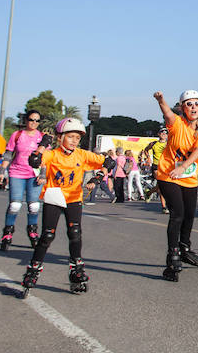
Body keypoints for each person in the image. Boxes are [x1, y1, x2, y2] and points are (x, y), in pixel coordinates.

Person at [20, 118, 115, 296]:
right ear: (60, 137)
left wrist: (98, 177)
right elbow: (34, 161)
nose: (74, 141)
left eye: (77, 138)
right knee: (47, 235)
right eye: (70, 137)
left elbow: (109, 162)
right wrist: (43, 145)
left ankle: (76, 269)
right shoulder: (52, 154)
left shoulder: (82, 155)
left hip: (73, 198)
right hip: (54, 198)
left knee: (75, 234)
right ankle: (33, 270)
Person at [153, 90, 198, 282]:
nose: (193, 107)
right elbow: (168, 114)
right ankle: (173, 255)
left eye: (197, 103)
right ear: (182, 107)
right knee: (177, 213)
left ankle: (185, 247)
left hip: (188, 177)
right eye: (189, 104)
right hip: (168, 175)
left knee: (190, 215)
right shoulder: (177, 123)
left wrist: (184, 167)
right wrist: (161, 101)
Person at [0, 110, 45, 250]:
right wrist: (2, 171)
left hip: (34, 174)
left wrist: (43, 174)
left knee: (34, 206)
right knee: (15, 205)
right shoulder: (17, 135)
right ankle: (7, 233)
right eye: (31, 119)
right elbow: (8, 154)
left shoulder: (42, 137)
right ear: (26, 120)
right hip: (17, 172)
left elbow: (46, 158)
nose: (34, 123)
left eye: (37, 120)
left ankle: (32, 232)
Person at [143, 128, 169, 213]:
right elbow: (146, 150)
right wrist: (148, 158)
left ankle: (149, 192)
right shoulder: (154, 143)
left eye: (165, 133)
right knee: (161, 186)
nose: (163, 135)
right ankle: (164, 207)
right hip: (156, 165)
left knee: (163, 186)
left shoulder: (169, 144)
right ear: (158, 134)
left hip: (166, 166)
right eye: (162, 133)